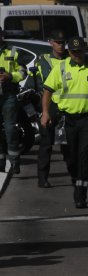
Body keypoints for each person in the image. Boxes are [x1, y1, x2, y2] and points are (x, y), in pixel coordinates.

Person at [41, 36, 88, 208]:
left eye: (80, 51)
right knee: (69, 156)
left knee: (84, 153)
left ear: (85, 50)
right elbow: (47, 91)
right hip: (66, 119)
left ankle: (81, 193)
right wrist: (45, 113)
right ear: (69, 52)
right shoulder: (60, 68)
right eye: (74, 52)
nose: (77, 55)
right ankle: (75, 177)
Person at [27, 30, 68, 188]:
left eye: (63, 43)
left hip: (67, 106)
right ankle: (42, 178)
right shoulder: (43, 60)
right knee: (46, 145)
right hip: (49, 107)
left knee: (68, 145)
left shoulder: (71, 60)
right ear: (51, 42)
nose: (61, 46)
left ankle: (74, 175)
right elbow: (34, 84)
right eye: (58, 42)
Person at [0, 26, 27, 174]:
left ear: (2, 35)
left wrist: (9, 76)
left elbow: (23, 72)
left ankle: (15, 162)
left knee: (10, 129)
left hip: (8, 95)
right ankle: (0, 163)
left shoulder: (13, 51)